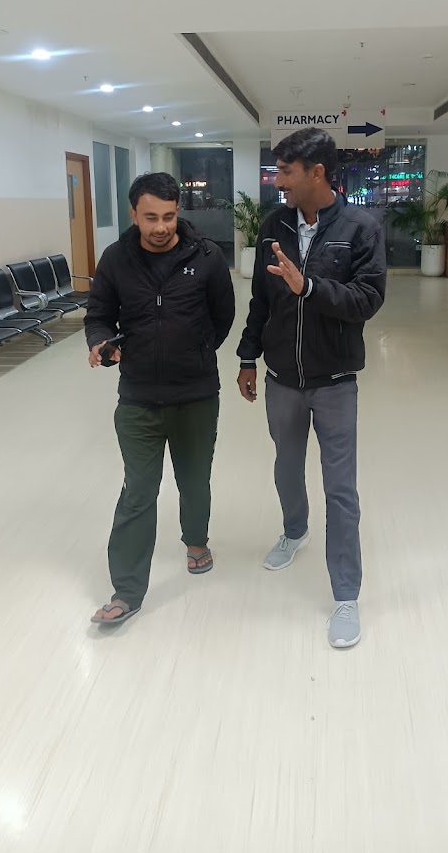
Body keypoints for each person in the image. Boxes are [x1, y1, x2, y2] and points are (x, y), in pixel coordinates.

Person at [236, 128, 386, 648]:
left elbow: (367, 300)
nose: (278, 181)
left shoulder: (360, 228)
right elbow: (260, 299)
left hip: (335, 381)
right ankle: (294, 530)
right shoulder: (273, 225)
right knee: (285, 465)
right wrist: (247, 356)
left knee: (340, 489)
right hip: (282, 378)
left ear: (316, 173)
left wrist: (310, 287)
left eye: (286, 172)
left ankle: (346, 594)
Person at [85, 171, 235, 625]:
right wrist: (100, 341)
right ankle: (127, 591)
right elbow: (99, 313)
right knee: (138, 492)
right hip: (137, 398)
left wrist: (194, 351)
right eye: (151, 217)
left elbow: (223, 316)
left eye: (169, 216)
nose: (161, 227)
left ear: (177, 212)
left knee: (194, 479)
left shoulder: (206, 256)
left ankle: (196, 541)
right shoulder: (116, 259)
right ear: (134, 214)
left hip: (196, 395)